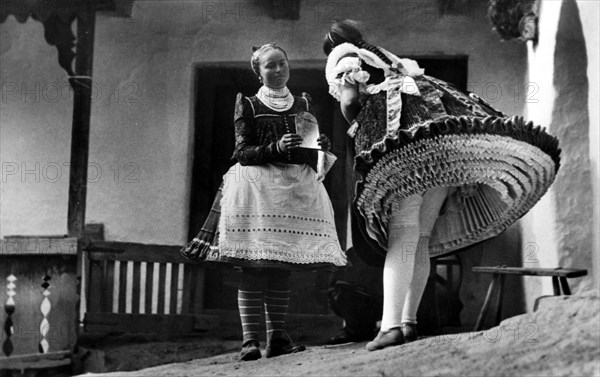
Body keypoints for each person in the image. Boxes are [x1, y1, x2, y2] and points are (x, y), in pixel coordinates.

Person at [323, 20, 561, 351]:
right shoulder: (389, 60)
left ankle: (390, 326)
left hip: (403, 153)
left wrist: (364, 127)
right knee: (419, 237)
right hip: (438, 152)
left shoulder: (344, 57)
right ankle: (408, 321)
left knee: (402, 235)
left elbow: (350, 105)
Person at [181, 43, 346, 361]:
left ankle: (278, 338)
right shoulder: (249, 104)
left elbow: (309, 151)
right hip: (257, 189)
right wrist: (276, 147)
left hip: (293, 192)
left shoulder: (303, 103)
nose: (278, 70)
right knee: (254, 267)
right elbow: (242, 153)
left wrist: (321, 146)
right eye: (270, 66)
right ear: (258, 71)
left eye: (282, 63)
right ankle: (250, 341)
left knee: (280, 267)